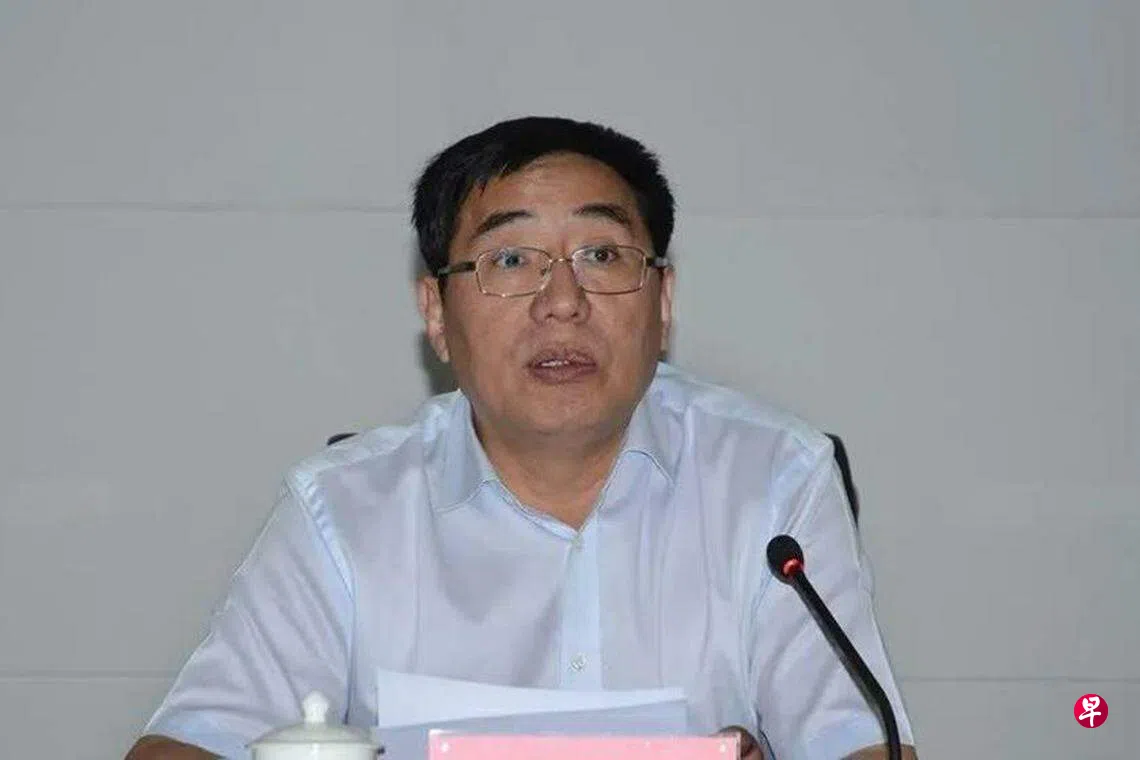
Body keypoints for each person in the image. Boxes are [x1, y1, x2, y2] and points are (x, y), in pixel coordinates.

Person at [126, 117, 917, 760]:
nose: (562, 300)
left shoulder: (775, 479)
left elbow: (857, 743)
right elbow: (190, 744)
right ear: (437, 313)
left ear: (663, 298)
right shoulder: (343, 506)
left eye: (601, 255)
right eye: (510, 259)